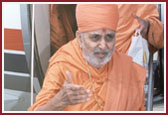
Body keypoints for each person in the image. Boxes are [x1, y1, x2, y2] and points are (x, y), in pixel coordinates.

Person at [28, 4, 146, 111]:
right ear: (79, 38)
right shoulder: (63, 63)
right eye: (95, 37)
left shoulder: (126, 68)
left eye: (109, 37)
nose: (103, 45)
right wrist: (58, 101)